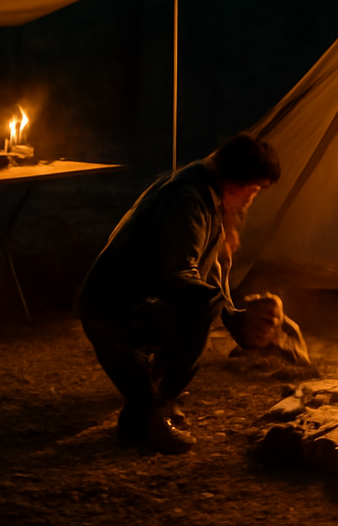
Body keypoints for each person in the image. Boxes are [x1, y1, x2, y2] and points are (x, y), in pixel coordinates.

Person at [74, 133, 307, 454]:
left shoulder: (202, 189)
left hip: (125, 303)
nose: (252, 199)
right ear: (235, 180)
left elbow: (202, 269)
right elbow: (174, 276)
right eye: (254, 190)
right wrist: (229, 316)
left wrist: (236, 316)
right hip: (114, 310)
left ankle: (149, 409)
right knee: (200, 308)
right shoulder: (188, 199)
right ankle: (153, 412)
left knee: (206, 304)